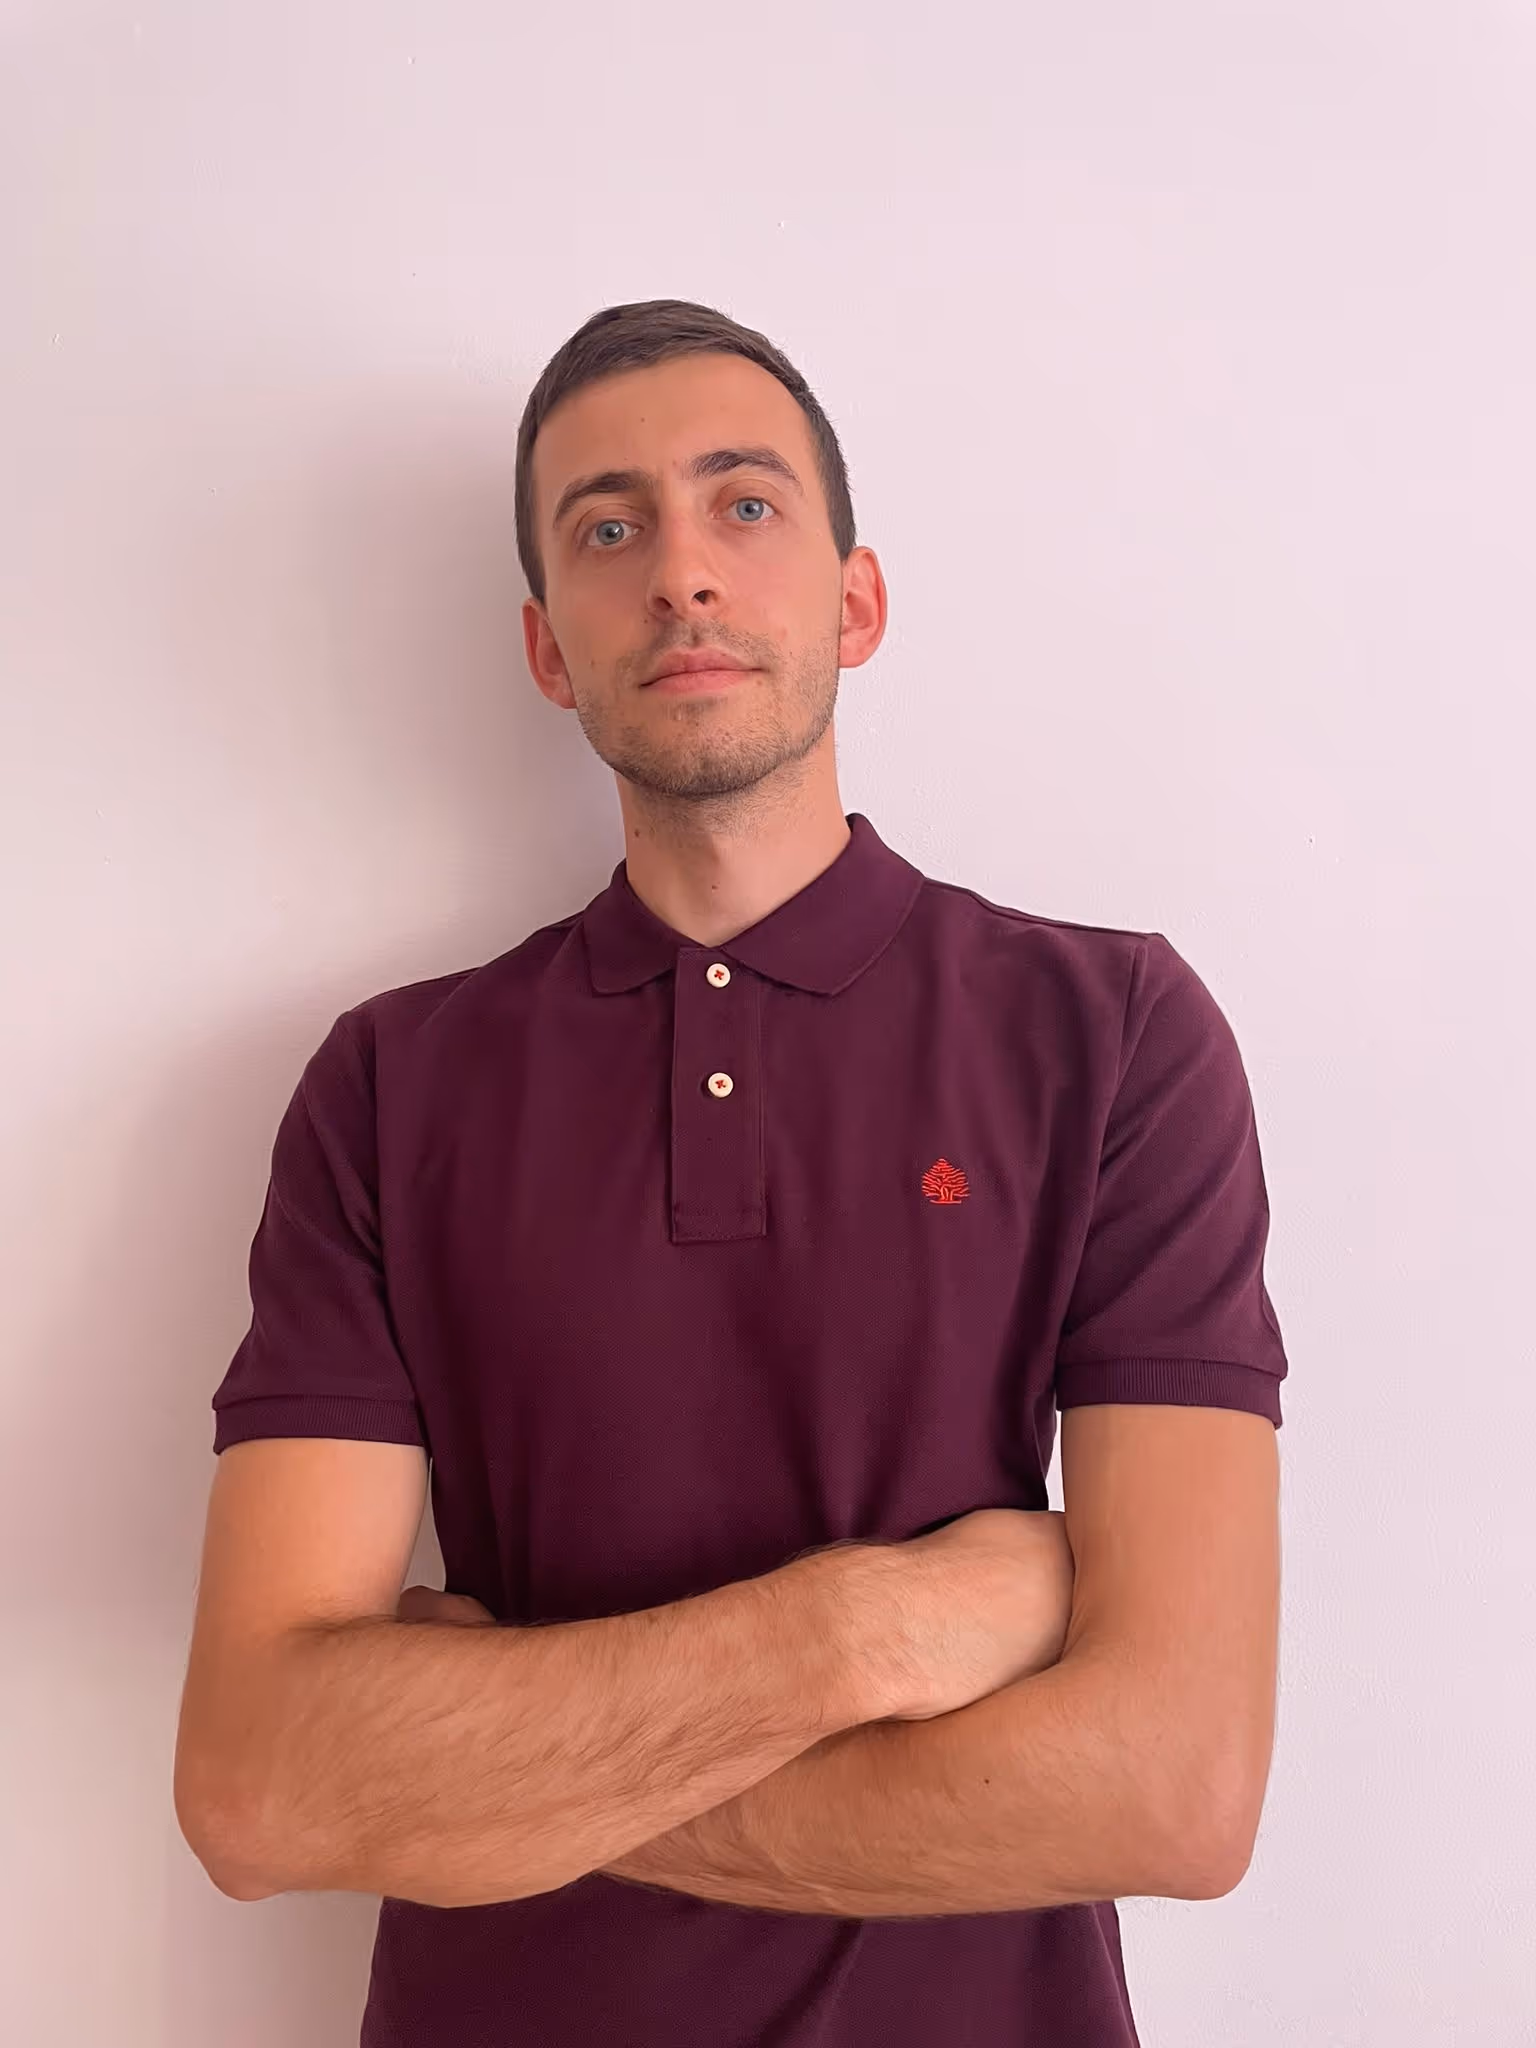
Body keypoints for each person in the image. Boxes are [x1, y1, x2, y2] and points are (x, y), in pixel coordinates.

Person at [174, 298, 1287, 2047]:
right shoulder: (390, 1083)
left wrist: (483, 1772)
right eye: (608, 528)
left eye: (743, 505)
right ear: (550, 645)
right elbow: (254, 1787)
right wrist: (876, 1630)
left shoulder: (1115, 1030)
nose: (679, 574)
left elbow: (1176, 1787)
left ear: (856, 600)